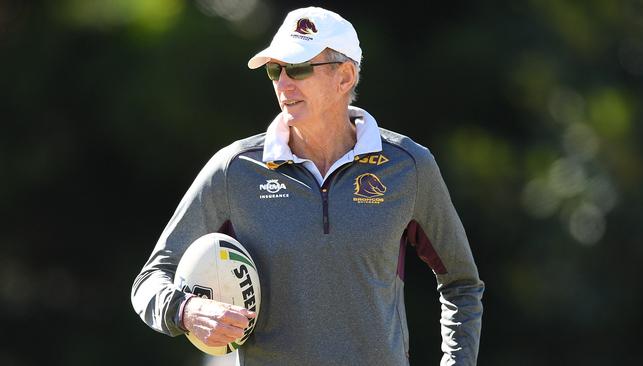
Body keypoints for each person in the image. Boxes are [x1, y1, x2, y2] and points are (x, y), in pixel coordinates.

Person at [131, 6, 484, 366]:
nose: (283, 84)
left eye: (298, 69)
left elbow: (462, 284)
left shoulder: (409, 166)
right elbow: (150, 280)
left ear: (345, 77)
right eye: (275, 70)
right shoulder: (233, 170)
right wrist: (186, 310)